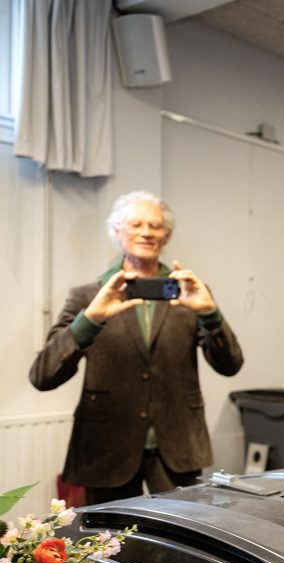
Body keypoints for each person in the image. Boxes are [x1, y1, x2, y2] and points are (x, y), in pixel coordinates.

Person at [29, 191, 243, 505]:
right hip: (105, 448)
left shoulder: (189, 292)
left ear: (166, 236)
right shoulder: (89, 296)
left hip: (178, 447)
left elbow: (230, 365)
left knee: (182, 543)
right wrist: (89, 320)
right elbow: (43, 376)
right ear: (117, 231)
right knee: (109, 543)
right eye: (135, 224)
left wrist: (210, 315)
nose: (145, 232)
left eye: (155, 226)